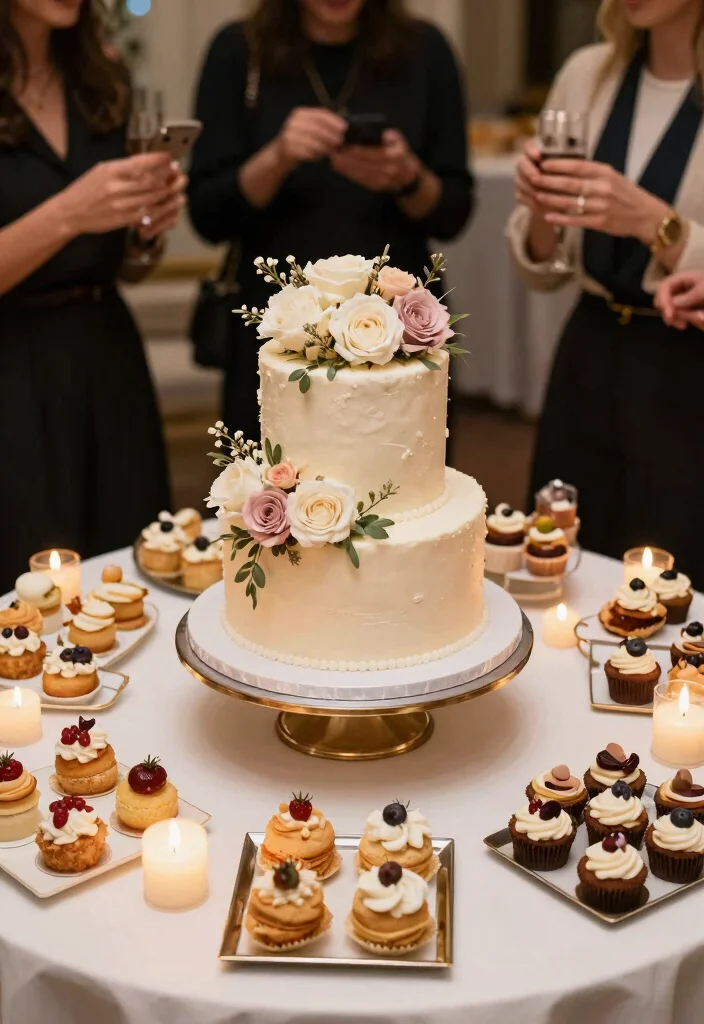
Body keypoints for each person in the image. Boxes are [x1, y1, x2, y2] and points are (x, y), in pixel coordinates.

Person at [189, 0, 473, 444]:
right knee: (275, 495)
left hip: (397, 325)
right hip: (276, 330)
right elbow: (207, 216)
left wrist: (407, 177)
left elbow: (454, 211)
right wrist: (278, 157)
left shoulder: (424, 51)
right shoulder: (240, 51)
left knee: (404, 492)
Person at [508, 0, 704, 584]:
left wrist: (656, 225)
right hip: (589, 353)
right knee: (561, 549)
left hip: (685, 360)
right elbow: (541, 269)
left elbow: (664, 232)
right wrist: (542, 210)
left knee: (672, 568)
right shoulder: (587, 73)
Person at [0, 0, 188, 592]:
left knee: (127, 571)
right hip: (11, 364)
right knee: (28, 588)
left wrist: (145, 232)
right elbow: (75, 217)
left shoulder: (102, 76)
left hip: (106, 355)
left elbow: (128, 267)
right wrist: (70, 212)